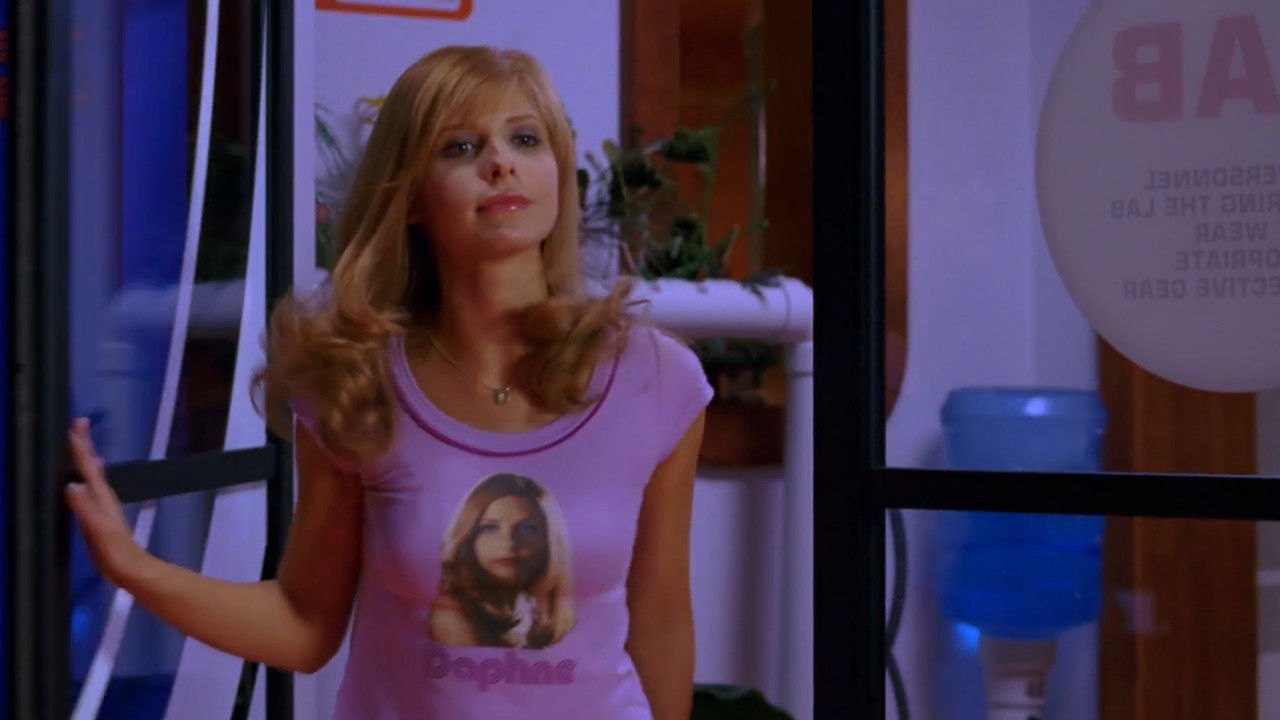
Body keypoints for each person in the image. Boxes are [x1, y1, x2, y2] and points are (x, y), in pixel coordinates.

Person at [64, 45, 712, 720]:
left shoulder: (656, 380)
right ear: (410, 198)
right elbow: (303, 624)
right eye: (461, 147)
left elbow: (662, 623)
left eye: (525, 139)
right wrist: (132, 566)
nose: (501, 163)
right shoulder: (354, 384)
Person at [429, 473, 575, 649]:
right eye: (490, 528)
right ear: (468, 537)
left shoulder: (540, 613)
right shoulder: (452, 618)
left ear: (548, 540)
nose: (509, 543)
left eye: (526, 528)